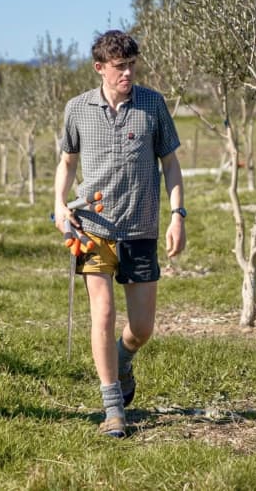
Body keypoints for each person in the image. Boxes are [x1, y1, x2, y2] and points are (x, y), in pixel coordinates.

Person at [53, 30, 186, 438]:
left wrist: (177, 214)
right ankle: (113, 409)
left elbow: (171, 165)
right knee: (103, 312)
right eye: (119, 67)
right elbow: (67, 162)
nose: (127, 72)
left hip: (141, 228)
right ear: (100, 69)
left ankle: (123, 358)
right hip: (92, 229)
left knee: (142, 327)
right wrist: (59, 205)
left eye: (131, 65)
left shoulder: (152, 104)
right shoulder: (77, 109)